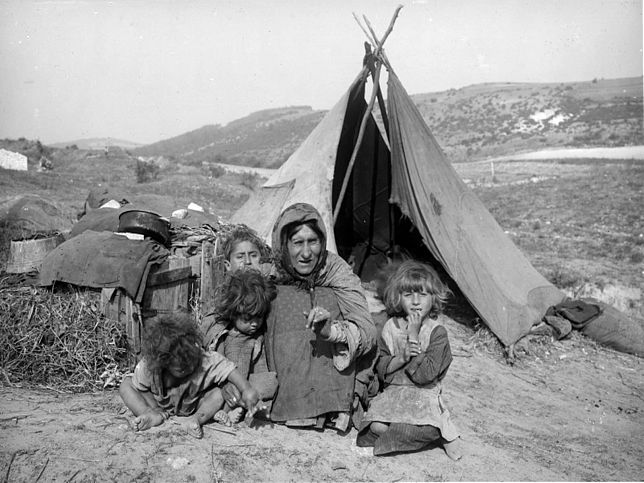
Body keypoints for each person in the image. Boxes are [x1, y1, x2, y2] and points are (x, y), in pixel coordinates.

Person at [261, 202, 377, 431]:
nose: (306, 253)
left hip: (330, 360)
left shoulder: (335, 270)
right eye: (297, 243)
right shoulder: (269, 271)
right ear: (284, 245)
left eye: (312, 242)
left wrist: (331, 331)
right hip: (284, 363)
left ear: (322, 242)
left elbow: (367, 330)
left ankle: (332, 406)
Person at [356, 260, 463, 459]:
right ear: (398, 298)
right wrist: (402, 357)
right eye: (408, 295)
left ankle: (433, 434)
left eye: (422, 295)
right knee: (372, 425)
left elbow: (425, 376)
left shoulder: (436, 332)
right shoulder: (390, 327)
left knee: (425, 429)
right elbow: (382, 370)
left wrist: (413, 337)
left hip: (423, 397)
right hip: (395, 395)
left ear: (433, 298)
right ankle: (394, 435)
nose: (415, 301)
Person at [118, 312, 264, 439]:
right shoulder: (150, 365)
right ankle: (149, 414)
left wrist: (247, 390)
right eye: (180, 368)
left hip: (195, 404)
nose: (188, 368)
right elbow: (141, 388)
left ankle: (196, 420)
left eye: (191, 363)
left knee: (218, 393)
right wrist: (154, 408)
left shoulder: (205, 359)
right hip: (158, 405)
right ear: (164, 363)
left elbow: (229, 369)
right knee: (126, 385)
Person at [204, 269, 278, 425]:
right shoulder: (222, 335)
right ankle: (224, 412)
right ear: (233, 313)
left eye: (259, 317)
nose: (254, 323)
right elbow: (213, 363)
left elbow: (260, 370)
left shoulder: (257, 338)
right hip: (223, 385)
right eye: (247, 318)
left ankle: (241, 410)